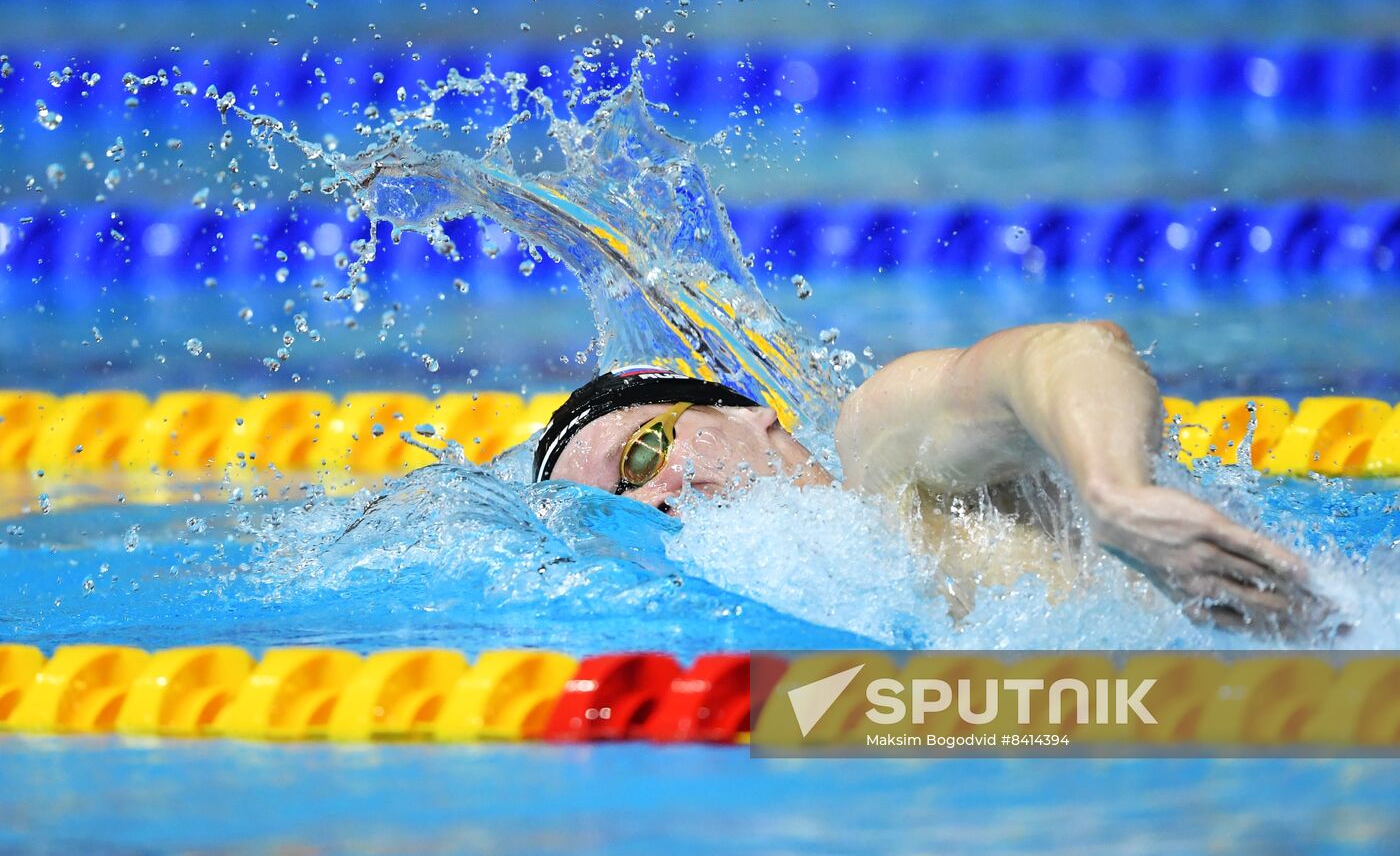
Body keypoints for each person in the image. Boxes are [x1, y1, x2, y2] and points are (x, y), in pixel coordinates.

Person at [533, 320, 1337, 640]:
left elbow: (1063, 355)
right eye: (618, 511)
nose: (653, 498)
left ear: (748, 413)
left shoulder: (883, 453)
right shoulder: (829, 615)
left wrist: (1116, 495)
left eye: (641, 455)